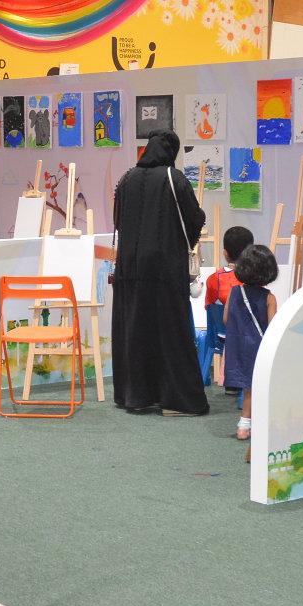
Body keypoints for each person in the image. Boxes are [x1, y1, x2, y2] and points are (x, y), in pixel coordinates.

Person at [111, 129, 208, 417]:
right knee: (171, 333)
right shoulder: (173, 178)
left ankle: (137, 397)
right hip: (165, 269)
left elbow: (118, 220)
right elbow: (195, 218)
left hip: (129, 268)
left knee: (135, 331)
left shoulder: (126, 179)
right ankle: (176, 401)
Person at [223, 244, 278, 441]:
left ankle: (243, 426)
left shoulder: (234, 292)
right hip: (259, 348)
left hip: (237, 346)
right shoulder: (269, 298)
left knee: (248, 387)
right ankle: (253, 425)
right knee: (260, 387)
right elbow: (272, 328)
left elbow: (226, 319)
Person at [204, 225, 253, 393]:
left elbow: (208, 306)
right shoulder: (253, 279)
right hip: (247, 337)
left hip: (220, 335)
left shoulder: (213, 279)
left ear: (225, 253)